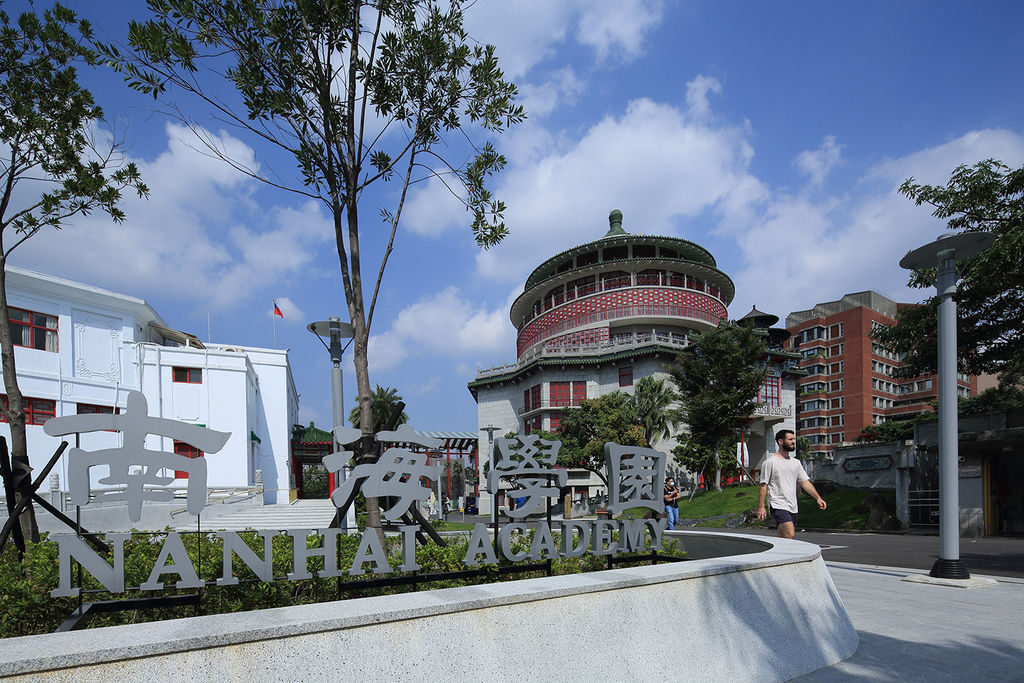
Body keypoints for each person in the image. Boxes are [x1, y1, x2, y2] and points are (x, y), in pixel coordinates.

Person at [756, 429, 826, 539]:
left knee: (783, 536)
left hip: (792, 505)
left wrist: (818, 498)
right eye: (790, 439)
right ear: (780, 441)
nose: (793, 442)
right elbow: (763, 486)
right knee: (790, 534)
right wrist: (761, 507)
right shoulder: (770, 462)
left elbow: (805, 482)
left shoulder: (796, 463)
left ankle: (777, 555)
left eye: (794, 439)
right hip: (777, 504)